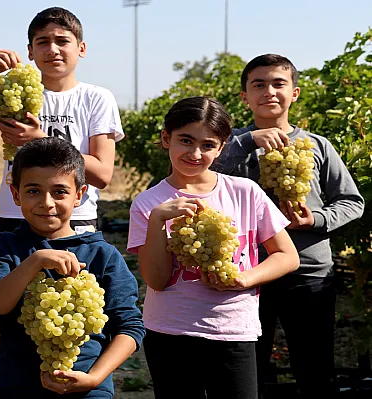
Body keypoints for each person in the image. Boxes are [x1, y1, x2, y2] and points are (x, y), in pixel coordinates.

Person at [212, 54, 365, 398]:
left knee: (315, 369)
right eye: (258, 85)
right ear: (244, 96)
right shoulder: (228, 146)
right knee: (248, 369)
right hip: (248, 272)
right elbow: (202, 171)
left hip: (309, 272)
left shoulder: (317, 147)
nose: (269, 91)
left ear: (294, 93)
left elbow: (352, 202)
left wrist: (316, 219)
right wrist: (250, 141)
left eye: (279, 83)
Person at [128, 96, 300, 399]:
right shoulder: (148, 204)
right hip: (170, 333)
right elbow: (155, 280)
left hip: (235, 332)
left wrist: (243, 279)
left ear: (221, 148)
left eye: (208, 145)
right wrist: (157, 220)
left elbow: (287, 257)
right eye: (185, 140)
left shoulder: (245, 192)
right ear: (166, 139)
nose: (195, 153)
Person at [0, 137, 144, 398]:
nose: (47, 202)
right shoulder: (5, 248)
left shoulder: (103, 255)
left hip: (89, 390)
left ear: (80, 195)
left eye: (59, 192)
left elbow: (129, 327)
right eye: (33, 191)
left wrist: (94, 378)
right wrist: (36, 261)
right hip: (17, 387)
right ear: (15, 194)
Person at [0, 6, 122, 236]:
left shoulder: (96, 98)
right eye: (43, 42)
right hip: (15, 218)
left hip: (74, 220)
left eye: (62, 41)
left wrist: (41, 140)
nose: (53, 49)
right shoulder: (11, 92)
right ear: (30, 52)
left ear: (81, 48)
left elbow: (102, 175)